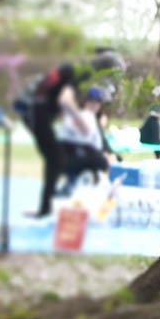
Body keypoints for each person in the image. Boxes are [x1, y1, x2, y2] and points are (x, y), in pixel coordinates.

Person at [25, 50, 125, 218]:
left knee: (55, 160)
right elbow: (65, 99)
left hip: (38, 107)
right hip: (39, 110)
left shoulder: (78, 67)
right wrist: (79, 121)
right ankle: (51, 202)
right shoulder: (84, 72)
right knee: (59, 159)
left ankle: (47, 205)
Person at [56, 85, 116, 192]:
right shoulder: (83, 117)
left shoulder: (94, 119)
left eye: (97, 102)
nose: (94, 105)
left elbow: (102, 142)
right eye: (91, 102)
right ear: (85, 102)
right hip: (77, 157)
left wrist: (110, 153)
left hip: (86, 157)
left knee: (110, 160)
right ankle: (73, 185)